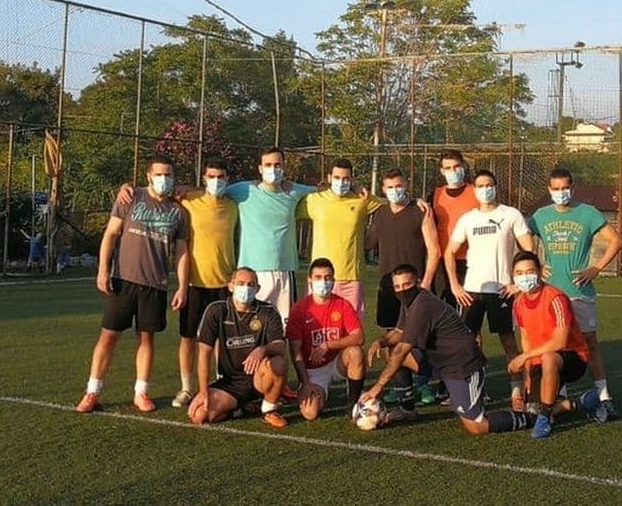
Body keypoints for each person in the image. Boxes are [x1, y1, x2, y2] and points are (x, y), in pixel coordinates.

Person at [75, 154, 189, 413]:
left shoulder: (178, 211)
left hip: (155, 284)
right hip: (123, 280)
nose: (164, 179)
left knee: (146, 338)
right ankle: (92, 392)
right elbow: (111, 233)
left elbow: (182, 253)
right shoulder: (130, 197)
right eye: (159, 174)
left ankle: (141, 392)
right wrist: (103, 269)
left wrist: (182, 286)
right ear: (149, 176)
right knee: (108, 336)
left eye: (168, 174)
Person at [362, 264, 534, 435]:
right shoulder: (410, 302)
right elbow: (400, 332)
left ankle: (530, 418)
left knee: (476, 427)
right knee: (390, 350)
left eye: (407, 284)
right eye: (398, 287)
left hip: (462, 367)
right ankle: (407, 409)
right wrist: (381, 341)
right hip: (440, 363)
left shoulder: (423, 305)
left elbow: (402, 349)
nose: (402, 290)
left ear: (418, 283)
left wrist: (378, 387)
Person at [528, 168, 622, 420]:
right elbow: (523, 238)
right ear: (549, 190)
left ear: (573, 188)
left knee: (589, 342)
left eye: (565, 188)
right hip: (550, 294)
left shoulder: (588, 213)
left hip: (579, 291)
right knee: (555, 346)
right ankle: (558, 393)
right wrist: (536, 265)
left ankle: (604, 395)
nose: (561, 193)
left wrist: (597, 267)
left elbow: (615, 240)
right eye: (556, 189)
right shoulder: (540, 216)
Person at [444, 169, 534, 410]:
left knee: (508, 341)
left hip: (502, 290)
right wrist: (455, 285)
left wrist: (519, 283)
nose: (485, 190)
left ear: (496, 187)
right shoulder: (468, 219)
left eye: (489, 185)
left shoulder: (511, 214)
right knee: (469, 342)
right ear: (474, 190)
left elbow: (529, 250)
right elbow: (449, 252)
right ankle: (475, 390)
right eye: (481, 186)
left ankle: (516, 389)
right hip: (472, 290)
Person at [365, 168, 440, 408]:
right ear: (383, 190)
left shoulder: (420, 211)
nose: (395, 191)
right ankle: (401, 387)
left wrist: (425, 282)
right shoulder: (379, 214)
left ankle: (424, 383)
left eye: (398, 186)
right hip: (389, 286)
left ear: (406, 185)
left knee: (419, 337)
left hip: (414, 287)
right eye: (390, 187)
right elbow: (367, 243)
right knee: (392, 337)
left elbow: (434, 250)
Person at [507, 251, 600, 438]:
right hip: (539, 359)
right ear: (513, 276)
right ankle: (575, 403)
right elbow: (526, 341)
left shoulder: (556, 298)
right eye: (519, 273)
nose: (524, 277)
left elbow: (559, 342)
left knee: (549, 358)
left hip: (571, 357)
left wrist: (525, 356)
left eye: (530, 271)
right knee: (530, 412)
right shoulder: (518, 304)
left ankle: (544, 419)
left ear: (540, 272)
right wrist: (527, 377)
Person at [171, 157, 238, 409]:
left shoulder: (234, 206)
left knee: (223, 338)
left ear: (227, 179)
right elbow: (160, 192)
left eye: (220, 177)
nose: (216, 181)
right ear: (203, 179)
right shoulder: (189, 201)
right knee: (188, 336)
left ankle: (222, 382)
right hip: (194, 284)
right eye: (211, 177)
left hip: (225, 284)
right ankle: (187, 387)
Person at [225, 148, 317, 325]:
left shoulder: (294, 191)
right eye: (268, 165)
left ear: (284, 167)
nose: (273, 170)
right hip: (252, 273)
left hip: (284, 271)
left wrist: (356, 187)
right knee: (250, 325)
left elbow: (324, 190)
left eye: (277, 165)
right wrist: (183, 190)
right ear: (260, 168)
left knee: (285, 327)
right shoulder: (244, 190)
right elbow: (211, 192)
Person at [187, 267, 288, 428]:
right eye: (241, 283)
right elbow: (204, 353)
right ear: (231, 286)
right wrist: (203, 391)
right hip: (231, 382)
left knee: (279, 364)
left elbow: (281, 347)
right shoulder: (217, 310)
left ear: (257, 288)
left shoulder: (268, 312)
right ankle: (242, 409)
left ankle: (269, 409)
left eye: (250, 284)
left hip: (259, 377)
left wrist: (263, 350)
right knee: (199, 415)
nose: (245, 288)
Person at [295, 158, 383, 316]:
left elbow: (391, 205)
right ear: (329, 178)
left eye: (346, 179)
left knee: (352, 329)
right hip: (320, 276)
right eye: (337, 178)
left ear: (352, 180)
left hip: (352, 277)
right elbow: (287, 208)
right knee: (316, 326)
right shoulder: (314, 200)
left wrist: (417, 202)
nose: (341, 182)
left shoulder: (362, 200)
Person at [287, 258, 366, 420]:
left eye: (327, 277)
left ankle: (353, 404)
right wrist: (306, 382)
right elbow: (295, 351)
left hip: (337, 361)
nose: (323, 282)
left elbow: (359, 337)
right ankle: (313, 390)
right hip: (313, 370)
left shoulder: (342, 304)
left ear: (333, 280)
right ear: (309, 280)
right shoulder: (299, 309)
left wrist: (327, 345)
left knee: (355, 352)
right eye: (318, 277)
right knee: (310, 413)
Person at [431, 150, 478, 309]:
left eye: (457, 166)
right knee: (444, 310)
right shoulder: (435, 195)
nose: (453, 171)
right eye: (448, 168)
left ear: (463, 166)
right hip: (444, 260)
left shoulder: (477, 192)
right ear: (442, 171)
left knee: (470, 310)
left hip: (471, 259)